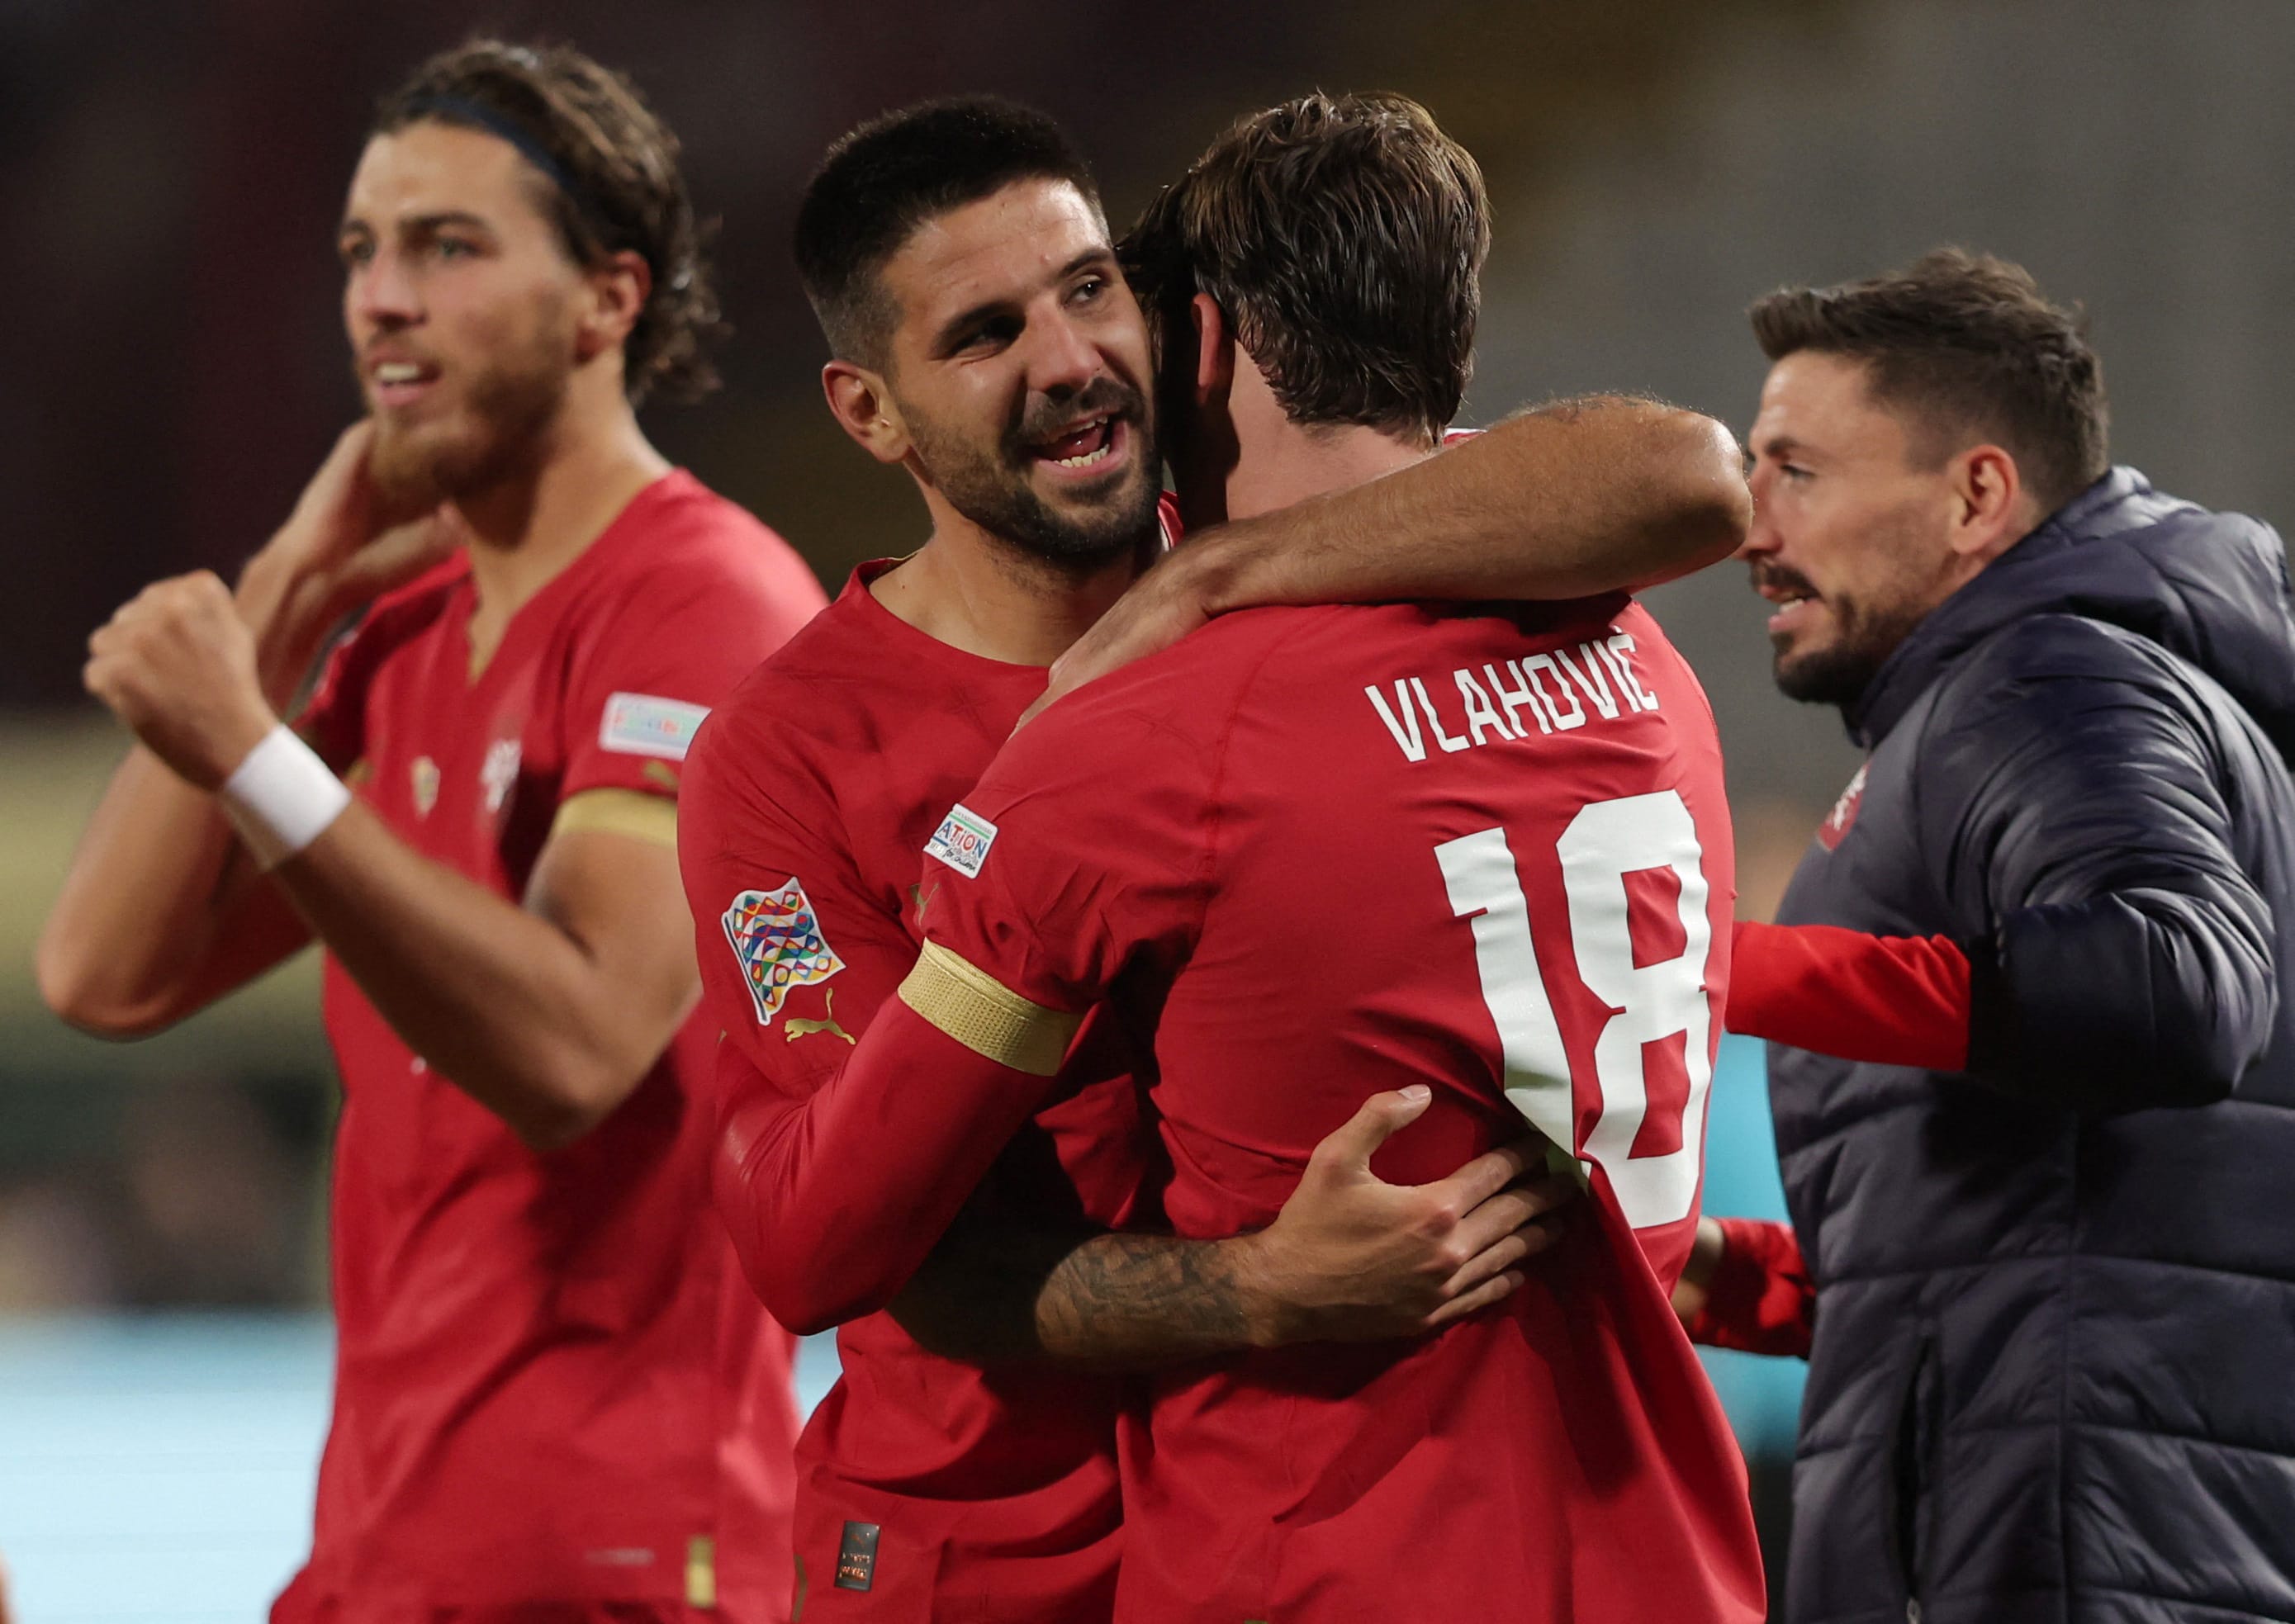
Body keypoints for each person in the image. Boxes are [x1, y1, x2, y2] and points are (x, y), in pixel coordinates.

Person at [700, 92, 1765, 1622]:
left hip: (1284, 1530)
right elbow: (873, 1253)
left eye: (1089, 290)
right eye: (986, 335)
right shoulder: (793, 753)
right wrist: (1257, 1292)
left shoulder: (1320, 540)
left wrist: (1225, 571)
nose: (1070, 359)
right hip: (989, 1557)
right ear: (873, 413)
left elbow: (1677, 473)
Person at [36, 40, 825, 1623]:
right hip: (385, 1547)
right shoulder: (401, 630)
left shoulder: (703, 602)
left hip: (612, 1559)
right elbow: (103, 977)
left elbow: (578, 1049)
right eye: (361, 251)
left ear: (607, 299)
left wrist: (250, 746)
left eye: (447, 247)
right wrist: (285, 595)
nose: (381, 300)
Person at [1687, 249, 2295, 1624]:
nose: (1750, 527)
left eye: (1798, 472)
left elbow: (2177, 985)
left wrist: (1721, 964)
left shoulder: (2049, 678)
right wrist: (1728, 1277)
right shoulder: (2031, 697)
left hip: (2074, 1552)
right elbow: (2041, 1252)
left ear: (1976, 496)